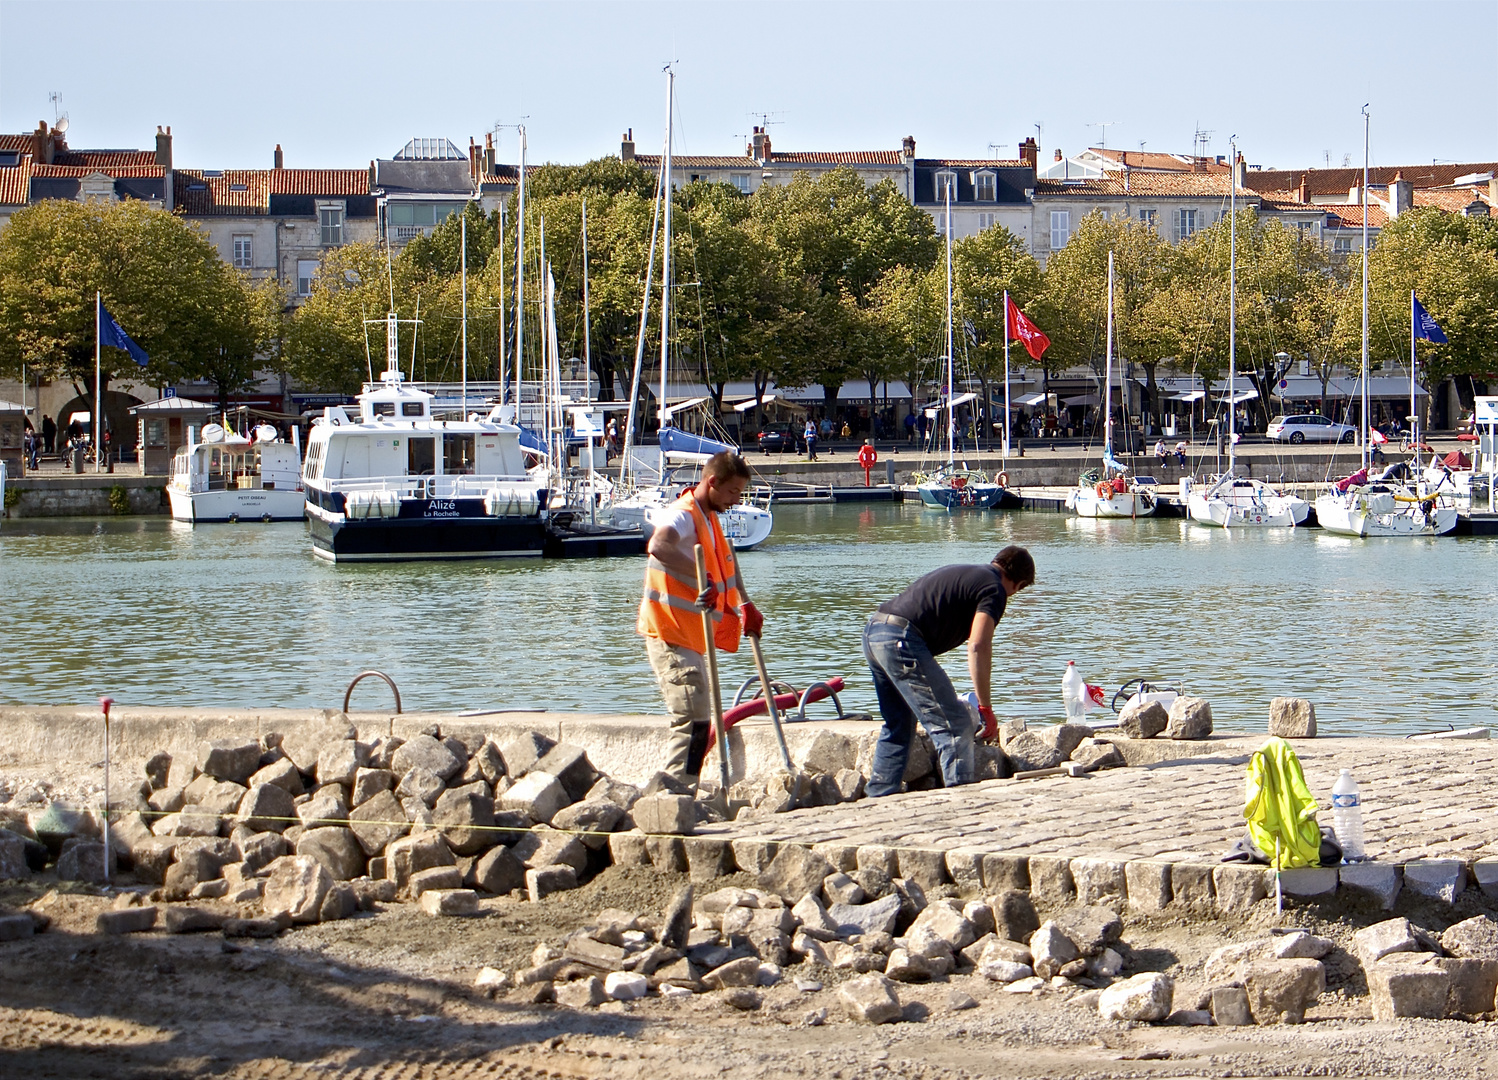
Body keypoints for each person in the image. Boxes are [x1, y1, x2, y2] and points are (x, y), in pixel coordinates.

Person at [863, 545, 1035, 798]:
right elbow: (978, 645)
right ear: (1018, 584)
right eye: (1017, 591)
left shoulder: (970, 574)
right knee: (955, 724)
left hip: (874, 631)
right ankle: (961, 804)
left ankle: (878, 797)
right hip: (901, 639)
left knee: (899, 723)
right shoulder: (994, 588)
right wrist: (985, 707)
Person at [638, 452, 763, 783]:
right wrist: (697, 575)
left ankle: (683, 789)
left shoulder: (710, 519)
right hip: (669, 631)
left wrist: (745, 605)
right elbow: (659, 546)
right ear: (713, 483)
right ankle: (673, 791)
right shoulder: (682, 515)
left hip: (691, 635)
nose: (737, 500)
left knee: (699, 717)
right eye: (733, 492)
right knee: (691, 713)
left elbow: (727, 569)